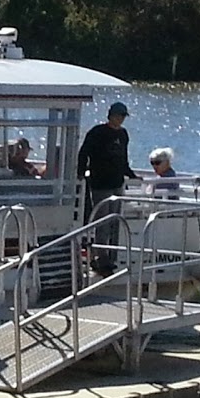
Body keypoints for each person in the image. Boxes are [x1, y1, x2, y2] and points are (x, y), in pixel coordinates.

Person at [76, 101, 136, 271]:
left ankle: (111, 255)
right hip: (101, 183)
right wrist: (81, 172)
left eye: (123, 116)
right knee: (102, 221)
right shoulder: (97, 132)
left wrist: (131, 174)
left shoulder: (123, 134)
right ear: (111, 115)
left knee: (115, 221)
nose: (121, 119)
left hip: (117, 183)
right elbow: (84, 152)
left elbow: (123, 158)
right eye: (119, 116)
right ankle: (100, 257)